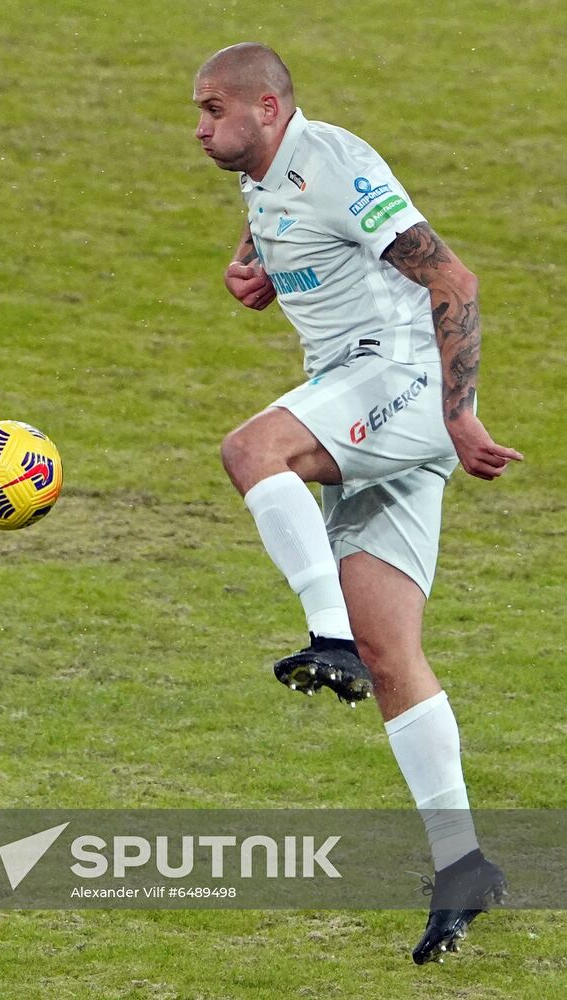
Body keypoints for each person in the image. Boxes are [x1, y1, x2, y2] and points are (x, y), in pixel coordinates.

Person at [192, 42, 521, 964]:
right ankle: (462, 864)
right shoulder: (261, 180)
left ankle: (320, 634)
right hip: (367, 404)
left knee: (252, 449)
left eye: (214, 109)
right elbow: (278, 228)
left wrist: (455, 416)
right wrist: (248, 270)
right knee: (391, 652)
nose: (200, 127)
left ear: (268, 106)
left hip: (401, 387)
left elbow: (453, 281)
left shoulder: (337, 160)